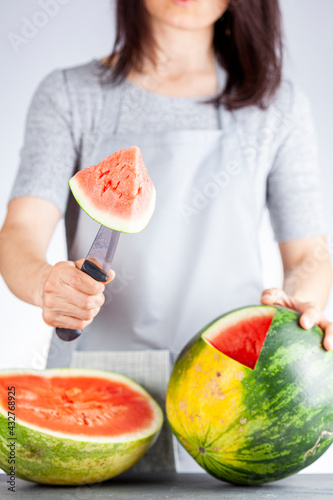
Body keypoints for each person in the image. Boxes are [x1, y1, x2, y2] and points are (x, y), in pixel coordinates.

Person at [0, 0, 332, 472]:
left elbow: (309, 255)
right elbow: (19, 232)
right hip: (93, 397)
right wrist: (43, 283)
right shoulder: (70, 94)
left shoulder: (278, 105)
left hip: (231, 398)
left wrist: (298, 304)